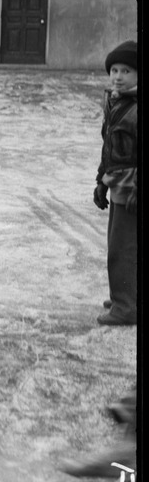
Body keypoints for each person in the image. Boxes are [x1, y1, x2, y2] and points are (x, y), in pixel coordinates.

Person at [93, 40, 138, 327]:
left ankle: (126, 306)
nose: (118, 76)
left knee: (122, 249)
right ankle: (127, 295)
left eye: (127, 71)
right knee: (120, 243)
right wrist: (101, 181)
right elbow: (108, 147)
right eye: (115, 70)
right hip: (118, 183)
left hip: (132, 188)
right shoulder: (115, 101)